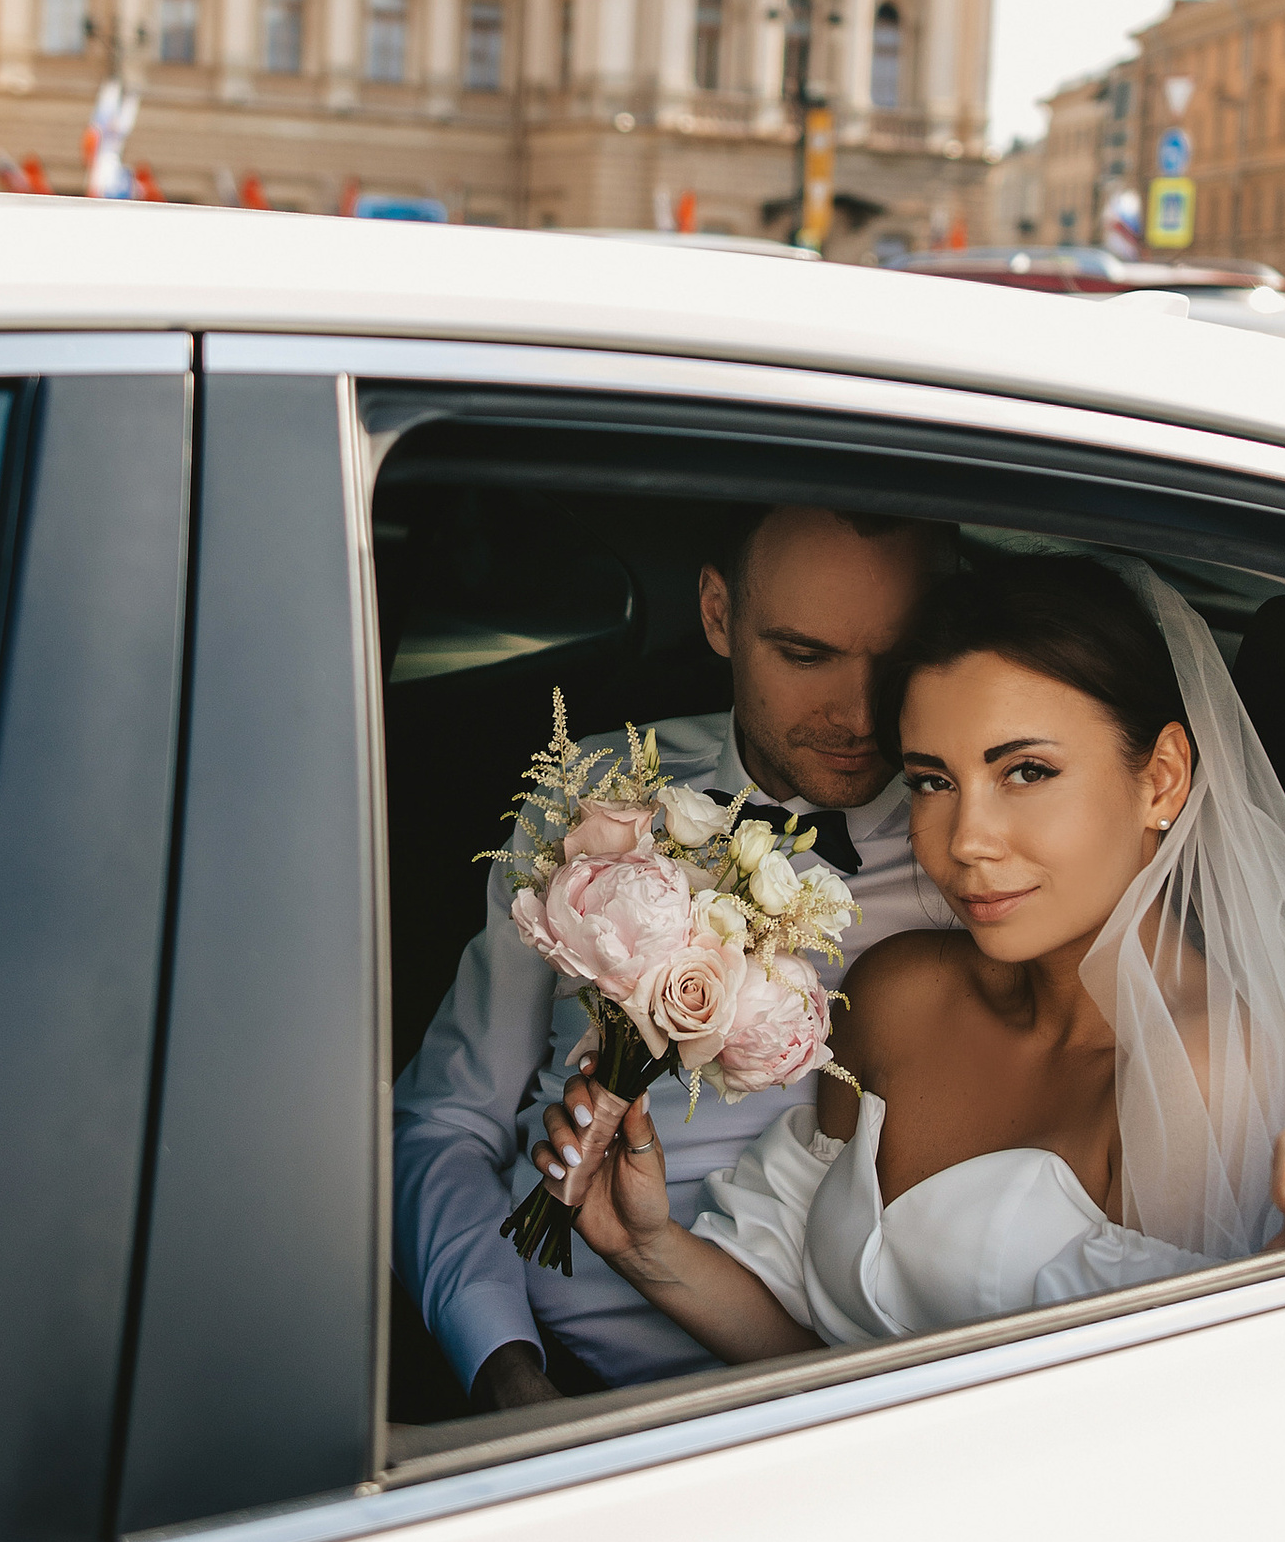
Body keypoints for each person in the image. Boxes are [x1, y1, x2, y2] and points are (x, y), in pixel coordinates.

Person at [538, 552, 1285, 1359]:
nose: (965, 842)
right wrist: (645, 1245)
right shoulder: (898, 993)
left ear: (1160, 779)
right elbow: (805, 1343)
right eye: (932, 781)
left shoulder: (1215, 1077)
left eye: (1026, 771)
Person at [393, 505, 953, 1408]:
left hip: (824, 1396)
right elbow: (449, 1122)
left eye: (896, 662)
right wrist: (502, 1362)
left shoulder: (978, 858)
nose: (859, 716)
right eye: (805, 655)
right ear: (718, 615)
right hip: (543, 1369)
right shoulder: (595, 795)